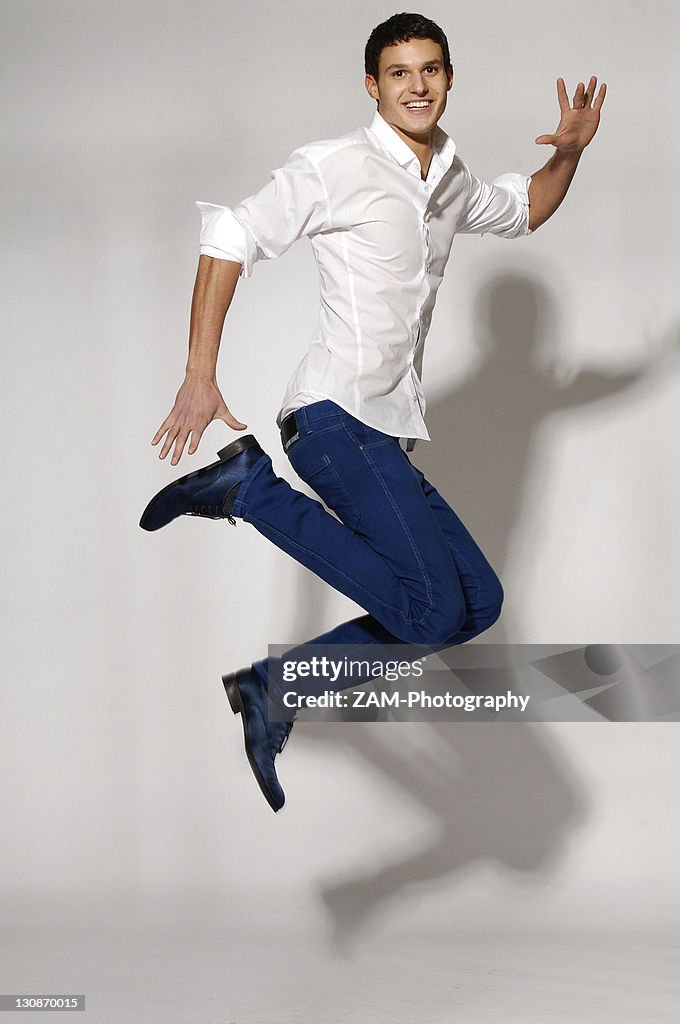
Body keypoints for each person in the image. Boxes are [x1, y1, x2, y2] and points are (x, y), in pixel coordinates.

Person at [139, 13, 606, 812]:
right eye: (398, 73)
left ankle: (276, 687)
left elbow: (525, 206)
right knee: (430, 608)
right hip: (331, 418)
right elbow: (231, 233)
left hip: (380, 433)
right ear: (373, 85)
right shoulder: (337, 165)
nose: (416, 85)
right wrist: (198, 373)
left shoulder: (449, 175)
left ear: (449, 78)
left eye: (429, 70)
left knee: (474, 605)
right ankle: (247, 492)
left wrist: (568, 153)